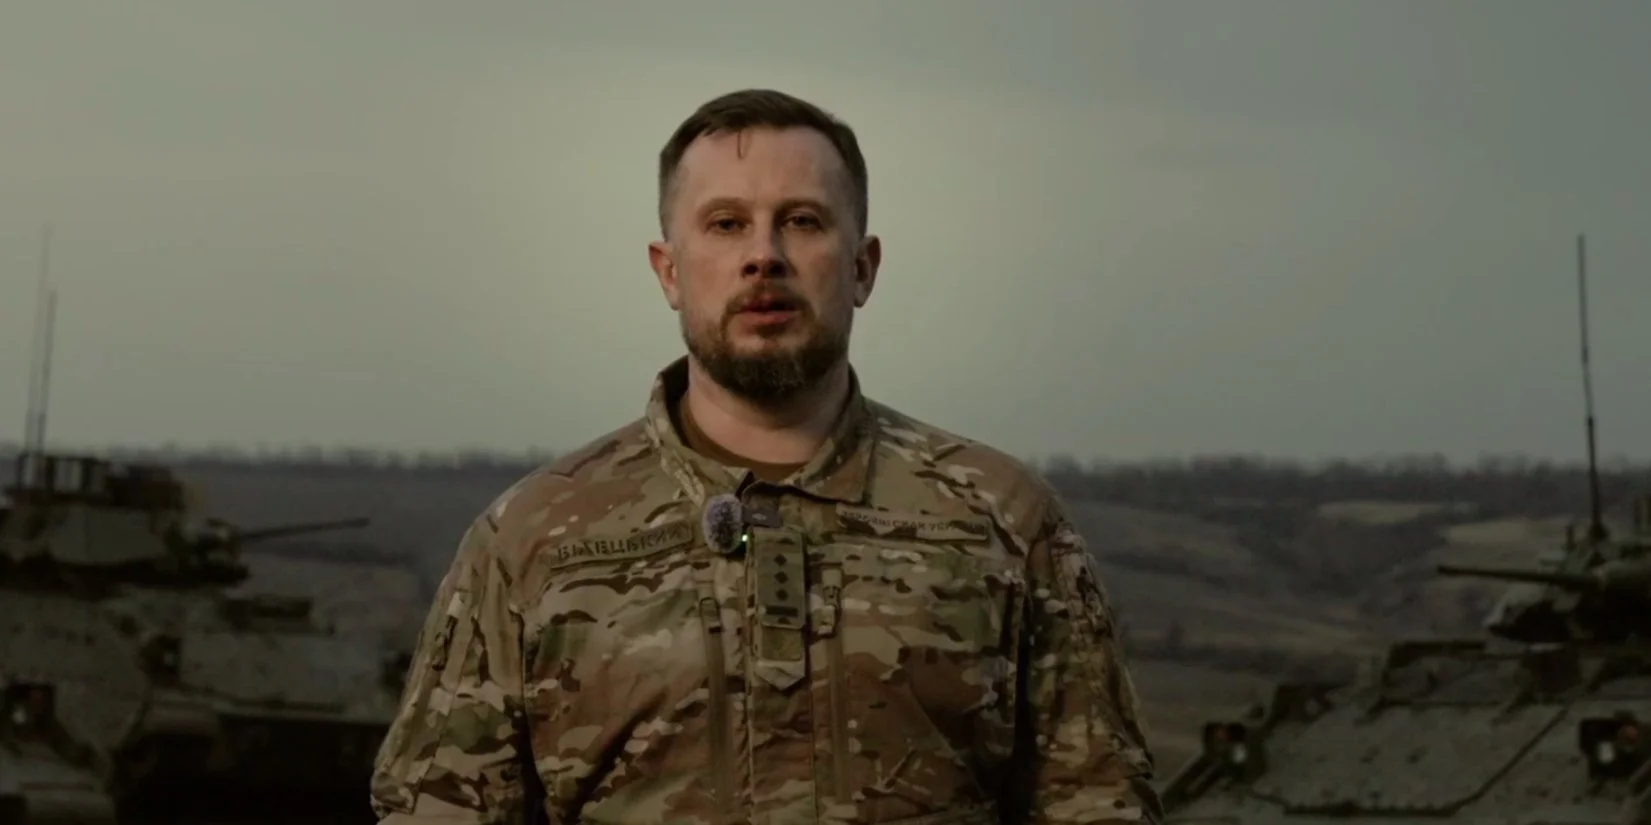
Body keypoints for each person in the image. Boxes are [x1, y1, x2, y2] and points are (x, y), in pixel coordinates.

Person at [370, 88, 1161, 825]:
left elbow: (1099, 803)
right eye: (725, 224)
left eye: (803, 221)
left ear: (862, 267)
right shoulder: (534, 540)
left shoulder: (1001, 520)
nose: (764, 256)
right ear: (669, 271)